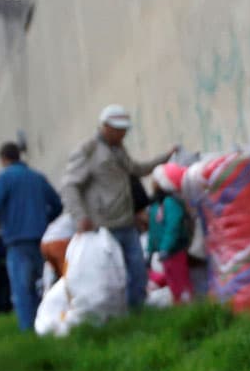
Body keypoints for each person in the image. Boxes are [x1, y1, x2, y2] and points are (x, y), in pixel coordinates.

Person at [60, 107, 175, 312]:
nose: (123, 134)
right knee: (109, 276)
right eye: (118, 129)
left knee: (137, 269)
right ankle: (111, 315)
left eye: (124, 130)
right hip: (102, 226)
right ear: (105, 127)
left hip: (125, 221)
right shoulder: (89, 150)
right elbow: (70, 186)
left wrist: (164, 158)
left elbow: (137, 169)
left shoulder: (119, 149)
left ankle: (138, 311)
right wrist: (80, 217)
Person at [0, 142, 65, 330]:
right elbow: (57, 204)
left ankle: (29, 329)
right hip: (42, 239)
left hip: (17, 241)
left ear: (3, 160)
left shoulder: (4, 178)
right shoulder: (37, 177)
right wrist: (45, 220)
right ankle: (49, 323)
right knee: (44, 285)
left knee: (22, 290)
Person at [146, 164, 196, 304]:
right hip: (165, 252)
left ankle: (187, 305)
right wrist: (150, 251)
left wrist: (166, 247)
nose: (153, 183)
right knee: (172, 282)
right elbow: (153, 230)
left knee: (180, 280)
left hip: (174, 250)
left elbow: (173, 227)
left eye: (155, 180)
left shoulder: (170, 203)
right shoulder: (157, 204)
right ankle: (179, 303)